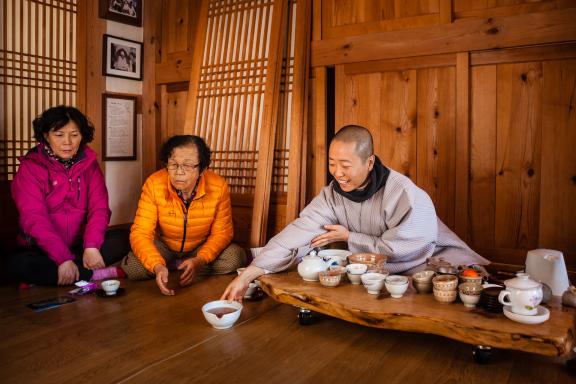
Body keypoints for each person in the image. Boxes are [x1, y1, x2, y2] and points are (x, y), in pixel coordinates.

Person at [222, 125, 489, 301]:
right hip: (373, 264)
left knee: (450, 285)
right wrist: (249, 274)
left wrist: (351, 236)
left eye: (345, 165)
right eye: (332, 164)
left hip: (423, 257)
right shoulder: (332, 194)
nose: (337, 173)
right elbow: (299, 229)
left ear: (369, 162)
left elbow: (402, 247)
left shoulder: (403, 193)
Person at [7, 106, 129, 286]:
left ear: (82, 136)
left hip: (81, 245)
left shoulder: (90, 165)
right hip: (42, 249)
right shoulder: (30, 168)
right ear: (46, 136)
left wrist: (92, 246)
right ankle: (92, 273)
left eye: (74, 134)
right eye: (59, 135)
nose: (67, 142)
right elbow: (33, 218)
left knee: (125, 238)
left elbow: (100, 208)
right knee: (16, 264)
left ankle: (62, 275)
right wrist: (62, 258)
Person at [122, 135, 246, 295]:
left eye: (187, 165)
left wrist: (200, 260)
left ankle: (187, 266)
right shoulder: (154, 183)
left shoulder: (218, 186)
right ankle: (170, 268)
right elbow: (141, 232)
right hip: (164, 244)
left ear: (202, 168)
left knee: (235, 258)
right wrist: (157, 265)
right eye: (173, 164)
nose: (179, 172)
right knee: (134, 268)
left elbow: (222, 233)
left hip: (199, 245)